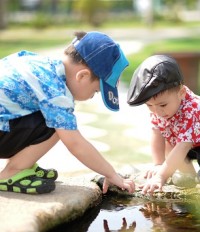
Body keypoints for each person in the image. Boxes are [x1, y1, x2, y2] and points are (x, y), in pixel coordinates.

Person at [0, 31, 135, 195]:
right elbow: (75, 144)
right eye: (96, 91)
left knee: (50, 116)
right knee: (61, 126)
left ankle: (22, 163)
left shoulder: (40, 64)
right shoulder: (56, 91)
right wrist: (111, 174)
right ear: (83, 76)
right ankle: (12, 172)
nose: (92, 97)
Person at [127, 54, 200, 195]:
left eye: (163, 105)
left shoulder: (192, 109)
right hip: (184, 143)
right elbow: (157, 134)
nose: (157, 111)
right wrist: (158, 164)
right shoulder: (159, 108)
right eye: (149, 106)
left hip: (191, 142)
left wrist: (161, 176)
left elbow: (184, 146)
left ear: (182, 93)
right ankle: (188, 177)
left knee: (177, 149)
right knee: (169, 143)